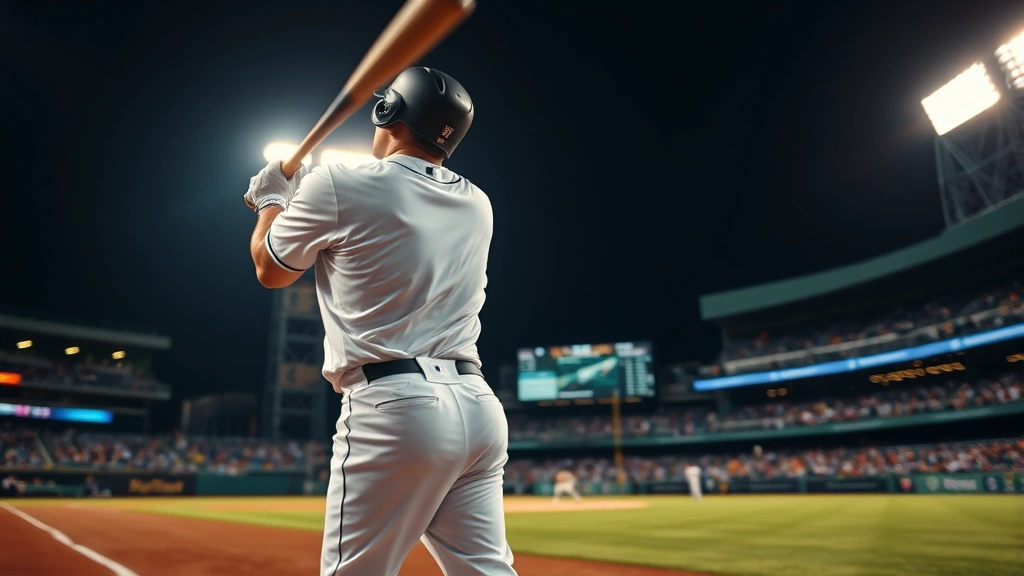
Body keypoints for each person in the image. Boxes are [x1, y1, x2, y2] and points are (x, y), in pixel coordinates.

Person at [244, 67, 515, 576]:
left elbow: (271, 269)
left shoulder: (338, 181)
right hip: (479, 409)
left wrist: (271, 200)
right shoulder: (479, 203)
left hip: (396, 407)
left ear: (387, 113)